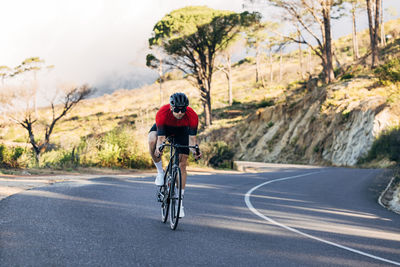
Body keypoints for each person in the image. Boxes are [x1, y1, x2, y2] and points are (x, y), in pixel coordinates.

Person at [148, 92, 202, 217]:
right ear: (171, 107)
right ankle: (160, 173)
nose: (180, 112)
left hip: (181, 132)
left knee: (182, 164)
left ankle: (180, 203)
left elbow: (192, 140)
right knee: (152, 139)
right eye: (177, 109)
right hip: (165, 129)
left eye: (183, 109)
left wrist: (195, 151)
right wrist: (158, 148)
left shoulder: (192, 115)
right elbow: (161, 138)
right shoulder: (162, 112)